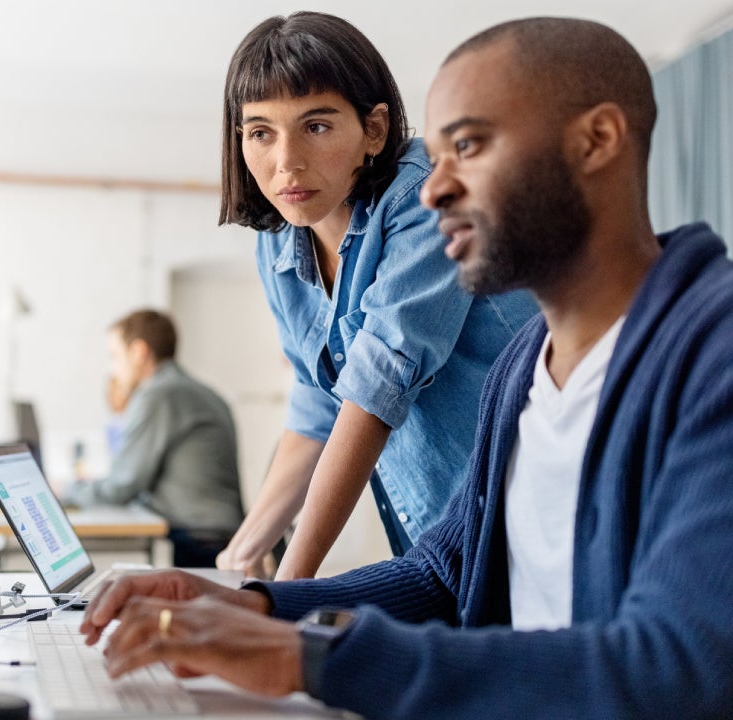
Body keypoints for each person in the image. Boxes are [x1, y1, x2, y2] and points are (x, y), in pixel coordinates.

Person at [79, 17, 733, 719]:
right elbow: (440, 574)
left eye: (467, 145)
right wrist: (253, 604)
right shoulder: (524, 368)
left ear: (596, 141)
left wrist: (309, 657)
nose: (434, 190)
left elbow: (685, 679)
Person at [215, 12, 537, 579]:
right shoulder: (278, 241)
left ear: (375, 130)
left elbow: (375, 387)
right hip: (440, 544)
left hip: (530, 521)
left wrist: (285, 590)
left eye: (316, 126)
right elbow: (319, 406)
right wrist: (242, 555)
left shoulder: (427, 198)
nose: (285, 161)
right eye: (260, 132)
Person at [62, 309, 244, 568]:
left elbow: (122, 486)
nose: (112, 368)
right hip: (219, 535)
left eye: (114, 356)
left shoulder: (158, 394)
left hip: (198, 540)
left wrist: (67, 489)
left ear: (138, 352)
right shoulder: (200, 391)